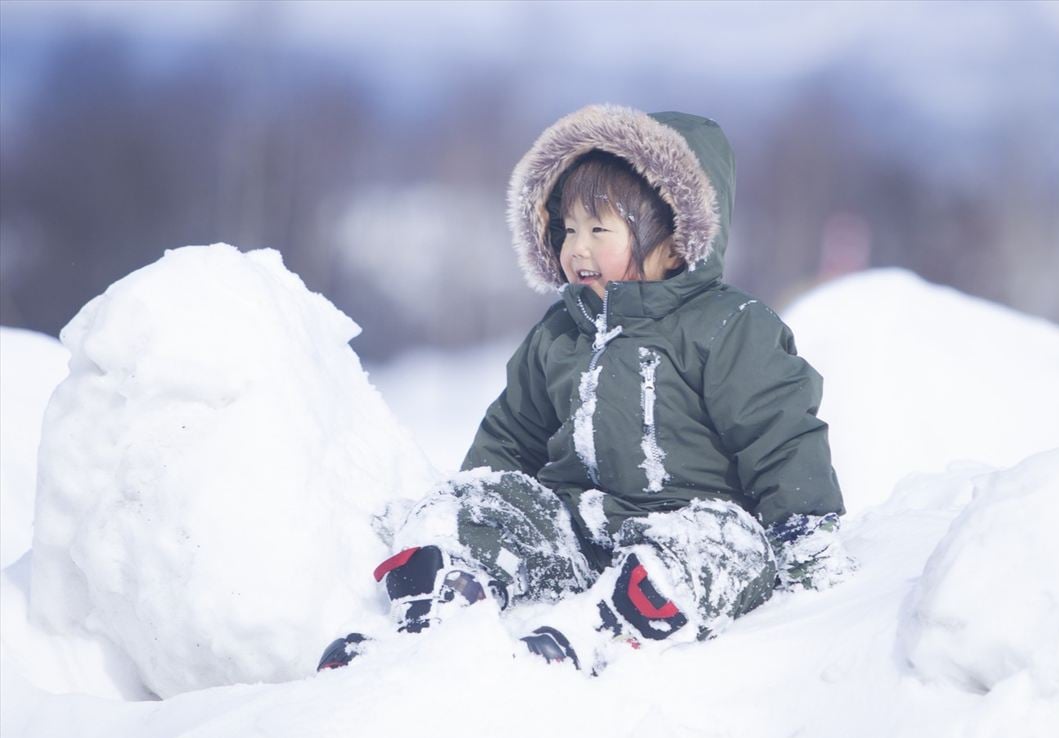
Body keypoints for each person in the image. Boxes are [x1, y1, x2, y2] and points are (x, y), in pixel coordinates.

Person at [319, 104, 848, 674]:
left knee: (730, 545)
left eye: (600, 229)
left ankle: (604, 627)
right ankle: (434, 611)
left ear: (675, 240)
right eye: (569, 229)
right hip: (580, 530)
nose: (578, 248)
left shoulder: (729, 327)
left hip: (684, 528)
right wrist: (481, 505)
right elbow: (511, 435)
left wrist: (804, 536)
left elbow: (781, 435)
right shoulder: (562, 330)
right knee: (472, 506)